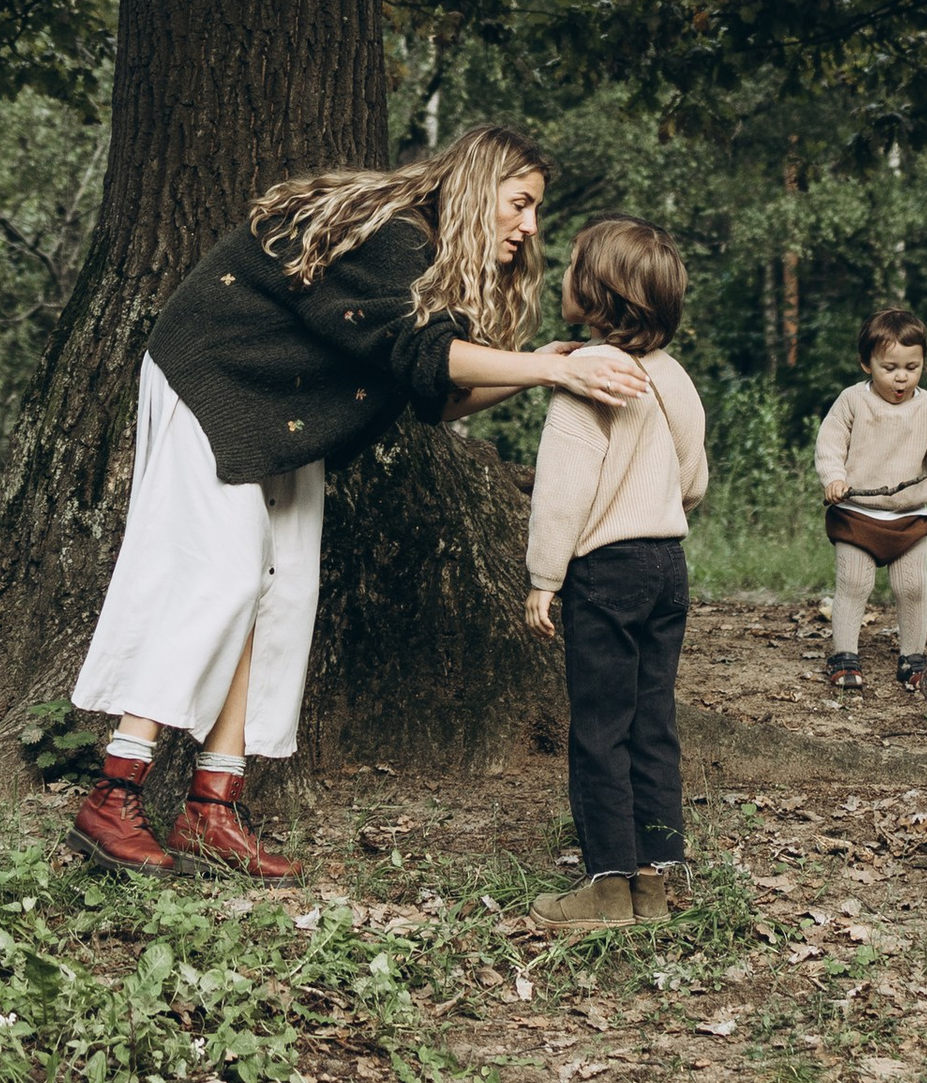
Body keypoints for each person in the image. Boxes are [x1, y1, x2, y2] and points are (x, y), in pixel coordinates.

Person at [69, 125, 649, 878]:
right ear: (480, 189)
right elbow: (427, 355)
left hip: (282, 414)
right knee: (218, 579)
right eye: (521, 203)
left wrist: (536, 364)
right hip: (215, 383)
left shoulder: (429, 260)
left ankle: (212, 807)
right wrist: (556, 376)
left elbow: (435, 397)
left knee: (280, 596)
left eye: (536, 211)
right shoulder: (393, 239)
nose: (531, 226)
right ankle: (112, 795)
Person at [523, 216, 710, 936]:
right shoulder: (673, 377)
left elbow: (562, 491)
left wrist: (544, 577)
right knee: (652, 717)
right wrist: (660, 497)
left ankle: (606, 886)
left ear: (597, 293)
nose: (561, 273)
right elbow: (693, 476)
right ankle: (658, 875)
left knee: (600, 726)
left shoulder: (586, 381)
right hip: (667, 563)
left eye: (572, 265)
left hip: (604, 567)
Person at [814, 302, 927, 697]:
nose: (901, 378)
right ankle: (845, 655)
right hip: (857, 514)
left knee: (913, 588)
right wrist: (834, 477)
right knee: (853, 584)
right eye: (890, 368)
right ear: (867, 364)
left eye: (911, 368)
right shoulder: (853, 401)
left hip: (909, 516)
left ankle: (914, 659)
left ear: (922, 365)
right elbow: (830, 444)